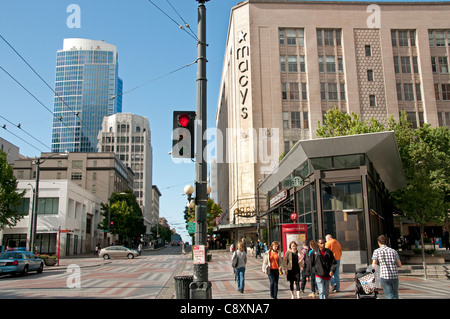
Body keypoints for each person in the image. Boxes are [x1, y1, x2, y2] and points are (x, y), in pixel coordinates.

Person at [371, 235, 402, 299]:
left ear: (379, 242)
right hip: (394, 275)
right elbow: (399, 264)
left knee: (389, 295)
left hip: (384, 275)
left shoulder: (377, 251)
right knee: (395, 294)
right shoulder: (393, 251)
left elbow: (374, 265)